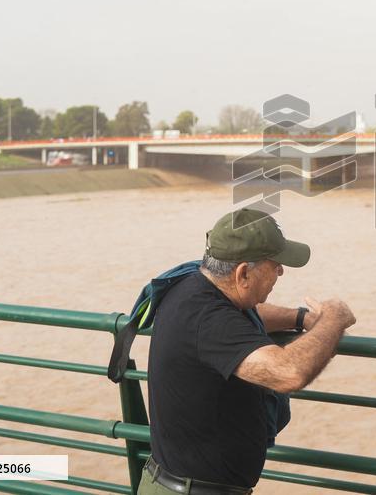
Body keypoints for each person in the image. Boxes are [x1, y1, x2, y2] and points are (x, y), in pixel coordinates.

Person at [139, 208, 356, 495]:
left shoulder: (192, 287)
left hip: (176, 484)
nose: (281, 270)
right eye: (275, 264)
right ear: (242, 273)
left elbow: (246, 316)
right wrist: (334, 318)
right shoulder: (208, 319)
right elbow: (288, 373)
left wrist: (299, 318)